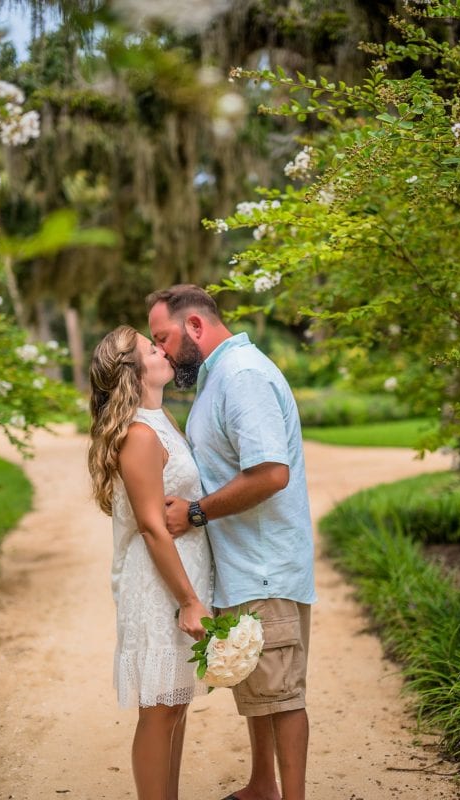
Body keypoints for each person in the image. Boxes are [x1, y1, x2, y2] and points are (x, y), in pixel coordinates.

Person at [146, 285, 317, 800]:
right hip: (246, 565)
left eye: (164, 338)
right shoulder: (220, 374)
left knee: (281, 695)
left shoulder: (241, 375)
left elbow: (270, 474)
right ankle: (262, 785)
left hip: (265, 566)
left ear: (195, 326)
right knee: (260, 688)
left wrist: (196, 512)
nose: (163, 352)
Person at [88, 324, 212, 800]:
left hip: (181, 576)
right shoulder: (139, 434)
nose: (162, 349)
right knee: (159, 709)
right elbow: (151, 526)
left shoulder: (162, 421)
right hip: (160, 585)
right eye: (150, 347)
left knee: (175, 705)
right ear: (132, 372)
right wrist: (189, 600)